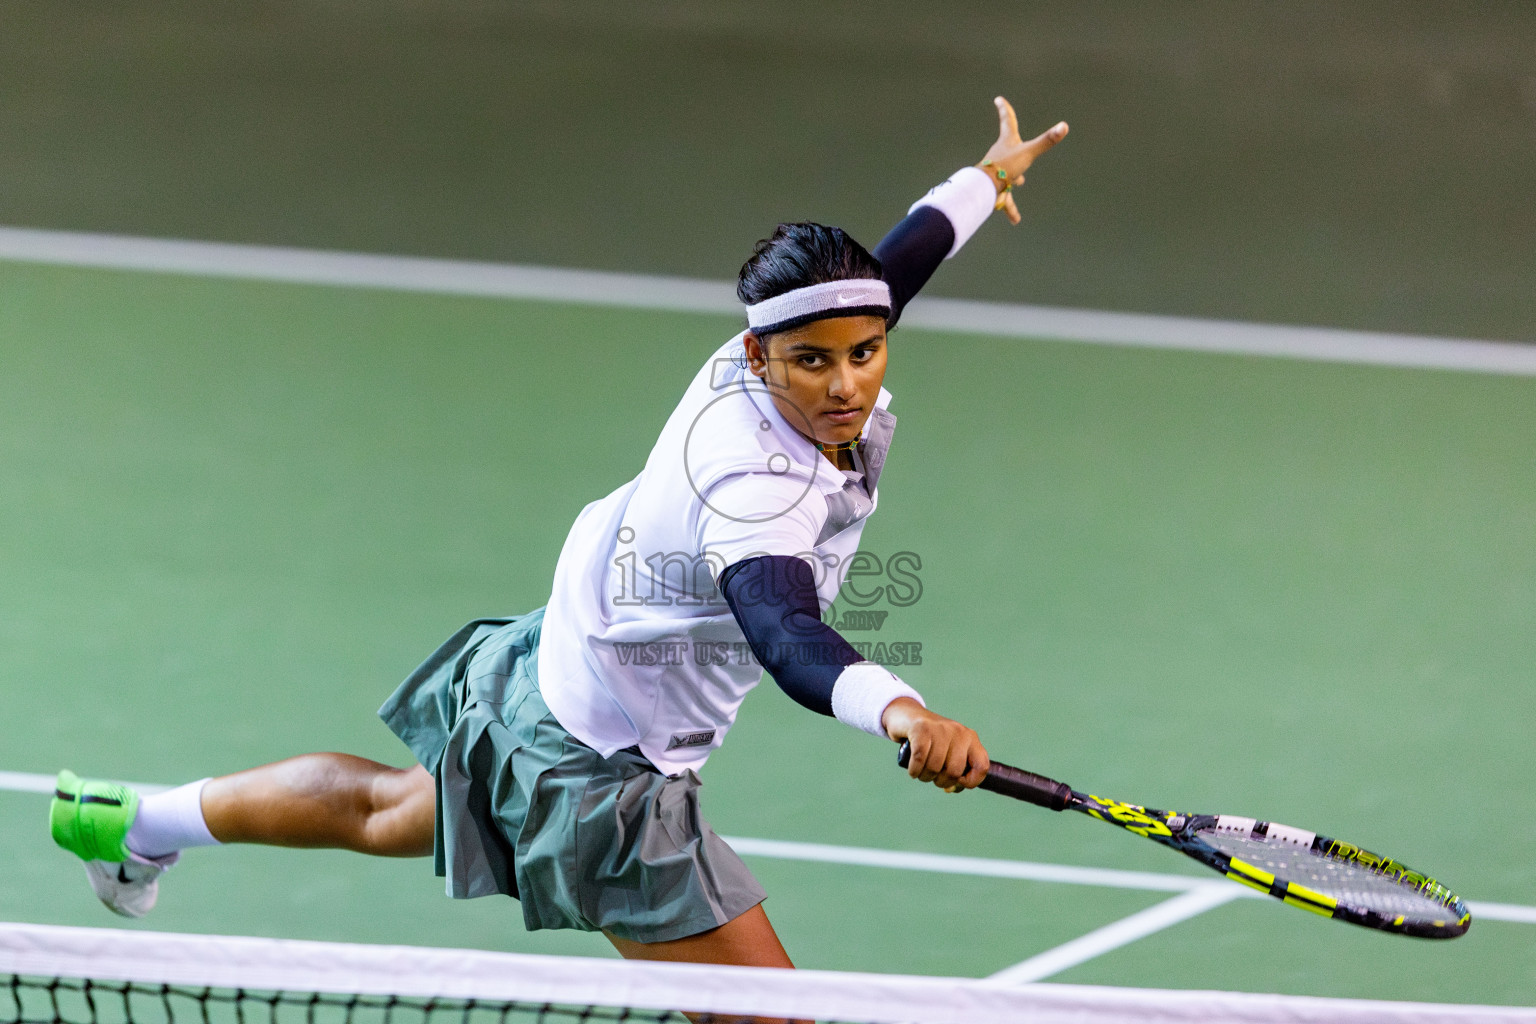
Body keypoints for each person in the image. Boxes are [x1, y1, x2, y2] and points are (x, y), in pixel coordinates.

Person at [50, 98, 1068, 977]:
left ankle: (136, 821)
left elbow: (890, 271)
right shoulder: (755, 485)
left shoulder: (770, 338)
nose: (847, 382)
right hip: (602, 773)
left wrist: (979, 182)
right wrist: (897, 709)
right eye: (814, 361)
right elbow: (785, 632)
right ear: (759, 357)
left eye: (867, 352)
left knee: (384, 812)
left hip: (552, 671)